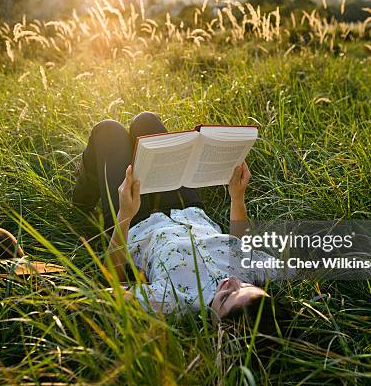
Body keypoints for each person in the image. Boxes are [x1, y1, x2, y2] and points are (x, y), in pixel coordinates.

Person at [72, 112, 289, 326]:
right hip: (187, 206)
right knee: (146, 121)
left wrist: (124, 216)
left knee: (108, 131)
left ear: (218, 326)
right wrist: (237, 198)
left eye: (226, 297)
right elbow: (240, 246)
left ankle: (80, 204)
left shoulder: (173, 301)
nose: (232, 282)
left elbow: (109, 286)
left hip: (135, 220)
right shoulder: (259, 273)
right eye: (244, 286)